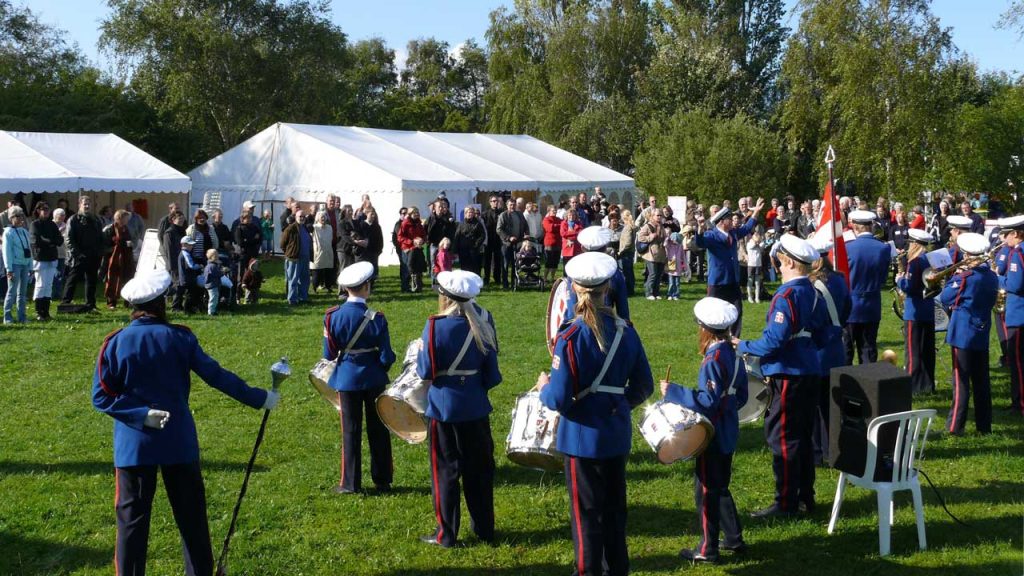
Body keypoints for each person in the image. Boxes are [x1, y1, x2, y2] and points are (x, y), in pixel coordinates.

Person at [92, 268, 279, 576]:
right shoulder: (179, 338)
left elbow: (102, 397)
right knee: (191, 518)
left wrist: (139, 415)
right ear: (161, 303)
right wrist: (259, 398)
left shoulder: (115, 343)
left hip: (133, 444)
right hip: (177, 440)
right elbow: (217, 376)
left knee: (132, 523)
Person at [537, 251, 654, 576]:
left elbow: (559, 398)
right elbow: (644, 385)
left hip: (580, 436)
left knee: (586, 512)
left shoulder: (571, 336)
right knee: (615, 510)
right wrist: (619, 404)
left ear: (574, 288)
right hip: (615, 433)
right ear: (608, 288)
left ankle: (588, 570)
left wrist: (543, 386)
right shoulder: (626, 331)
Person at [736, 234, 829, 517]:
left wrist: (742, 346)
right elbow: (825, 335)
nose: (776, 264)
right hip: (810, 369)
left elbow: (773, 342)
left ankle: (786, 502)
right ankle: (805, 497)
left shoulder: (787, 295)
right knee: (801, 435)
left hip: (788, 373)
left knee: (782, 438)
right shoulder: (815, 292)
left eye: (778, 259)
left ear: (788, 261)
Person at [416, 270, 501, 547]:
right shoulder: (486, 320)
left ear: (445, 296)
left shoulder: (435, 327)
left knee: (445, 473)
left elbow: (425, 371)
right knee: (480, 471)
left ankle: (447, 534)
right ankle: (485, 528)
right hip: (476, 407)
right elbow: (493, 375)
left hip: (444, 409)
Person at [661, 297, 747, 564]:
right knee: (720, 485)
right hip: (729, 428)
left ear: (705, 329)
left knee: (707, 489)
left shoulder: (713, 358)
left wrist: (673, 392)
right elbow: (742, 395)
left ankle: (708, 548)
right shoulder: (734, 353)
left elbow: (708, 401)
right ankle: (733, 538)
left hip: (713, 434)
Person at [325, 261, 396, 493]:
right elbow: (387, 357)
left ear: (346, 289)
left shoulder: (332, 316)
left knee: (350, 431)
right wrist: (380, 366)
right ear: (366, 287)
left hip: (346, 379)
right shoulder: (377, 318)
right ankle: (382, 479)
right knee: (379, 430)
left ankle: (350, 483)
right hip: (374, 378)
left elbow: (329, 353)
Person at [940, 233, 997, 435]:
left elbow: (945, 298)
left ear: (968, 254)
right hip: (981, 331)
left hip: (963, 333)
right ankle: (984, 426)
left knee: (961, 381)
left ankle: (955, 426)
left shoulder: (964, 277)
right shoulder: (991, 276)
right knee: (982, 381)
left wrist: (955, 277)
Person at [807, 233, 852, 464]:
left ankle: (816, 453)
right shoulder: (840, 279)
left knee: (814, 406)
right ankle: (833, 450)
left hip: (816, 350)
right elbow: (847, 309)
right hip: (836, 346)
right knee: (833, 405)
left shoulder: (810, 285)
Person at [693, 199, 766, 336]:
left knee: (737, 311)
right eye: (728, 219)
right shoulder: (712, 235)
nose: (733, 221)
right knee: (712, 313)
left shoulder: (732, 233)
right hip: (718, 282)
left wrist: (756, 212)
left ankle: (734, 339)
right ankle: (711, 338)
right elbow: (700, 242)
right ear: (721, 221)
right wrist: (700, 228)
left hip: (733, 281)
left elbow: (746, 228)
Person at [844, 210, 892, 364]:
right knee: (868, 349)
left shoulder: (848, 247)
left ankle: (846, 387)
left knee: (846, 350)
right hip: (872, 303)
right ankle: (869, 387)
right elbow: (884, 278)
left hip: (850, 305)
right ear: (871, 226)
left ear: (855, 227)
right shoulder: (883, 248)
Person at [896, 229, 938, 394]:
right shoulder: (931, 259)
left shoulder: (915, 262)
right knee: (927, 349)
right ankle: (928, 385)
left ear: (914, 244)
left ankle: (913, 385)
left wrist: (900, 281)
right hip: (928, 309)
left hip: (914, 311)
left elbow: (911, 287)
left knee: (913, 351)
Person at [565, 226, 631, 321]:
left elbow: (571, 309)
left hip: (578, 325)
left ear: (582, 247)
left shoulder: (574, 270)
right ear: (605, 247)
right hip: (607, 325)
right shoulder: (614, 272)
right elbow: (623, 309)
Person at [998, 215, 1024, 417]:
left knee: (1017, 363)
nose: (1005, 239)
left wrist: (998, 278)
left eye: (1007, 235)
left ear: (1016, 234)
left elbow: (1014, 285)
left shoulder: (1017, 254)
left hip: (1019, 314)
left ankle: (1020, 403)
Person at [62, 196, 104, 310]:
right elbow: (68, 239)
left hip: (93, 255)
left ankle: (91, 304)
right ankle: (65, 302)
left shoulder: (95, 219)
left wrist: (100, 251)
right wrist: (77, 254)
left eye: (88, 204)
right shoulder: (73, 219)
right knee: (72, 280)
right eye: (85, 204)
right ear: (79, 205)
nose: (87, 206)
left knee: (92, 281)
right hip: (79, 255)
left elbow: (100, 236)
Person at [29, 202, 63, 321]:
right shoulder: (35, 224)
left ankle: (46, 312)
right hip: (40, 258)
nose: (46, 211)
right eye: (44, 209)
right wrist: (51, 242)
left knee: (48, 285)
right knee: (40, 285)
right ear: (38, 210)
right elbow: (36, 240)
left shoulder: (52, 224)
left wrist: (50, 242)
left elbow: (60, 239)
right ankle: (39, 311)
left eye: (48, 209)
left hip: (52, 257)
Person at [3, 207, 32, 324]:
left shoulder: (24, 232)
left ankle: (22, 317)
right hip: (14, 265)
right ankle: (7, 317)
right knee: (12, 291)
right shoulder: (8, 232)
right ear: (11, 218)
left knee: (23, 293)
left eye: (21, 215)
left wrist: (31, 266)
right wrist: (9, 269)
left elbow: (29, 249)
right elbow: (7, 252)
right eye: (17, 216)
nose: (20, 218)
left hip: (25, 264)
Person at [103, 209, 136, 310]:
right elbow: (104, 245)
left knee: (128, 279)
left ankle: (128, 301)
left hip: (126, 258)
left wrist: (130, 244)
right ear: (119, 218)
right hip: (113, 259)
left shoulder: (126, 229)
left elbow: (130, 240)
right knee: (113, 280)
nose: (127, 220)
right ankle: (111, 303)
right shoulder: (109, 229)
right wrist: (113, 249)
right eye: (126, 218)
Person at [280, 208, 312, 305]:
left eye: (303, 217)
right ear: (295, 217)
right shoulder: (290, 228)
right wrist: (290, 253)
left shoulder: (305, 227)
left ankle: (303, 298)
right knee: (293, 279)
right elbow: (282, 244)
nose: (302, 218)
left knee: (305, 279)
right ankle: (292, 299)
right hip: (294, 258)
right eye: (300, 216)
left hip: (305, 258)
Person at [497, 198, 529, 289]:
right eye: (510, 204)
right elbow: (499, 229)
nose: (512, 206)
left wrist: (526, 234)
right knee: (505, 264)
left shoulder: (519, 214)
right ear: (507, 205)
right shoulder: (503, 215)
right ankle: (505, 284)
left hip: (518, 242)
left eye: (514, 204)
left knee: (516, 264)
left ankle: (514, 283)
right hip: (506, 244)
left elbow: (525, 225)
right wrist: (508, 237)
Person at [638, 210, 668, 300]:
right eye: (657, 215)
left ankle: (656, 292)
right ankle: (649, 293)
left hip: (661, 253)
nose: (659, 217)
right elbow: (640, 237)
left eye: (661, 215)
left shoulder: (662, 226)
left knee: (659, 275)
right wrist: (650, 237)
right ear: (653, 216)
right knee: (653, 274)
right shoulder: (648, 226)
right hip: (650, 254)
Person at [398, 207, 427, 292]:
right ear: (410, 214)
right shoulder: (405, 223)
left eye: (417, 213)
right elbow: (400, 237)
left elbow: (424, 235)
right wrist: (412, 241)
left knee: (418, 268)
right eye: (414, 213)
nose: (417, 214)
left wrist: (422, 240)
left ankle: (417, 287)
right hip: (407, 248)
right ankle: (405, 287)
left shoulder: (419, 223)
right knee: (407, 268)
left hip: (417, 248)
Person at [163, 211, 187, 310]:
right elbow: (169, 250)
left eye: (182, 218)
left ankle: (179, 304)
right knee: (177, 284)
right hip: (174, 262)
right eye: (179, 218)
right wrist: (173, 266)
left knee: (181, 284)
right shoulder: (169, 232)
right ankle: (175, 306)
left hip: (182, 261)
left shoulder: (182, 231)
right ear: (173, 220)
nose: (181, 220)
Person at [454, 206, 486, 276]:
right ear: (465, 214)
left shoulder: (478, 223)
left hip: (473, 250)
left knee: (474, 269)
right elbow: (457, 237)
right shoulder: (461, 224)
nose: (470, 214)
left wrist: (476, 244)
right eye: (468, 212)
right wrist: (455, 250)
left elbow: (482, 235)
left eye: (471, 212)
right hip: (463, 250)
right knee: (464, 269)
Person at [481, 196, 505, 287]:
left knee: (498, 260)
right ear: (490, 202)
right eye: (493, 201)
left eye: (497, 201)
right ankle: (486, 278)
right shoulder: (485, 214)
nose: (495, 203)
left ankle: (497, 278)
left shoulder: (502, 213)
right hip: (489, 240)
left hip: (499, 240)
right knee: (487, 260)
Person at [176, 237, 203, 313]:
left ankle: (190, 309)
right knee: (190, 295)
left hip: (186, 278)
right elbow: (191, 265)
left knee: (190, 294)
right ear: (184, 244)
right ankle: (187, 310)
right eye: (190, 245)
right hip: (187, 278)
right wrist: (199, 266)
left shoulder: (183, 253)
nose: (192, 246)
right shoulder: (186, 254)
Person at [310, 211, 335, 293]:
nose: (323, 218)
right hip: (318, 252)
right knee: (317, 272)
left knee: (328, 271)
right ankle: (314, 287)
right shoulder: (314, 227)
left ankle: (328, 286)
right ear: (317, 218)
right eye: (321, 217)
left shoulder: (329, 227)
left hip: (328, 251)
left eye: (324, 216)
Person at [542, 205, 563, 283]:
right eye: (553, 210)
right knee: (549, 262)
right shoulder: (546, 220)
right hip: (549, 244)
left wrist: (556, 226)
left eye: (555, 210)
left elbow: (563, 226)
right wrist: (558, 226)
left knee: (555, 262)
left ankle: (552, 278)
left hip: (558, 243)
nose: (555, 211)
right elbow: (549, 228)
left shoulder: (559, 219)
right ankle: (545, 278)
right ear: (549, 211)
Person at [664, 232, 685, 301]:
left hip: (678, 265)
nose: (675, 241)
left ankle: (676, 294)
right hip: (672, 263)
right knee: (671, 283)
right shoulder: (669, 245)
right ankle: (670, 294)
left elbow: (683, 256)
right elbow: (665, 244)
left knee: (677, 283)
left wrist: (684, 266)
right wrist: (667, 238)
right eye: (673, 240)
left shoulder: (680, 246)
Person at [392, 207, 410, 291]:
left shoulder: (409, 223)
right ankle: (404, 286)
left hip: (408, 248)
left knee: (407, 266)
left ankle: (407, 284)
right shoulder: (398, 224)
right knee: (404, 266)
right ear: (400, 214)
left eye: (406, 213)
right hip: (401, 248)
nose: (405, 215)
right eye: (403, 213)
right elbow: (398, 237)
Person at [746, 231, 764, 303]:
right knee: (750, 281)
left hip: (758, 264)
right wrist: (755, 241)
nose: (757, 236)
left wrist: (759, 241)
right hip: (751, 264)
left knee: (757, 282)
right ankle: (750, 297)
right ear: (752, 237)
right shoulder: (749, 243)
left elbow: (762, 246)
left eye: (758, 235)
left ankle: (757, 297)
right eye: (755, 235)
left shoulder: (760, 243)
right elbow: (752, 246)